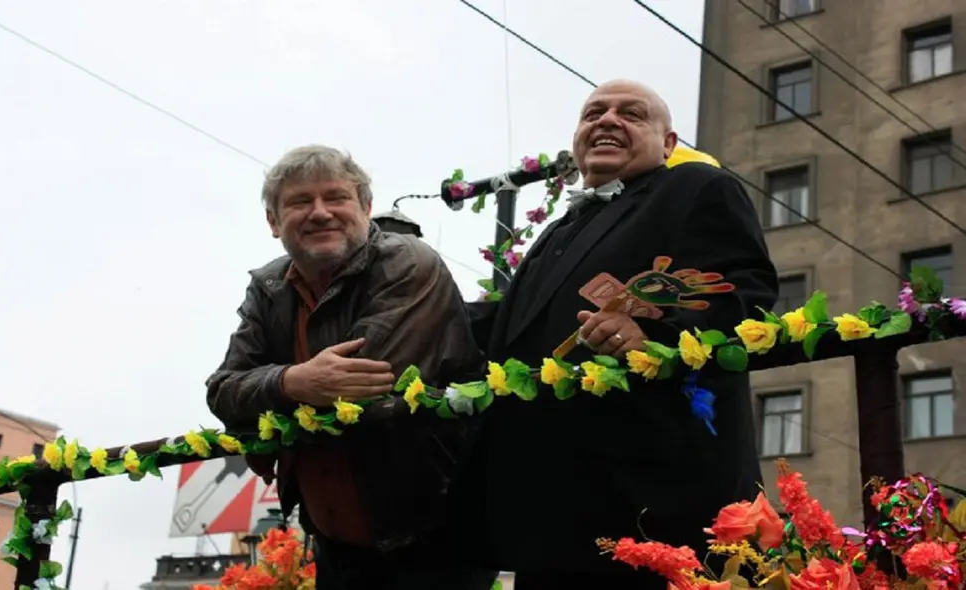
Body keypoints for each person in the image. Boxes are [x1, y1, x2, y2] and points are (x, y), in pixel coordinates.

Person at [464, 80, 779, 589]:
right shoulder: (564, 226)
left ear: (669, 144)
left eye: (631, 114)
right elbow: (509, 328)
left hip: (650, 509)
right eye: (594, 113)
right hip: (548, 515)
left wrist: (655, 337)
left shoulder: (694, 187)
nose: (607, 120)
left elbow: (747, 292)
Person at [206, 145, 498, 590]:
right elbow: (222, 391)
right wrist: (293, 381)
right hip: (336, 545)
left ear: (366, 208)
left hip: (433, 538)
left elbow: (365, 385)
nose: (320, 213)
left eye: (336, 198)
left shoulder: (408, 262)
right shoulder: (269, 287)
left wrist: (272, 393)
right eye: (300, 202)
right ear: (273, 221)